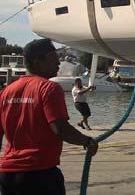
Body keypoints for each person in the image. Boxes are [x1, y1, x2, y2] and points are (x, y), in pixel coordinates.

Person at [0, 39, 98, 195]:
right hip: (40, 174)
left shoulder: (6, 91)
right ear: (38, 61)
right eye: (54, 58)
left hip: (7, 175)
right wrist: (87, 141)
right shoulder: (49, 88)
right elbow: (60, 129)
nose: (58, 63)